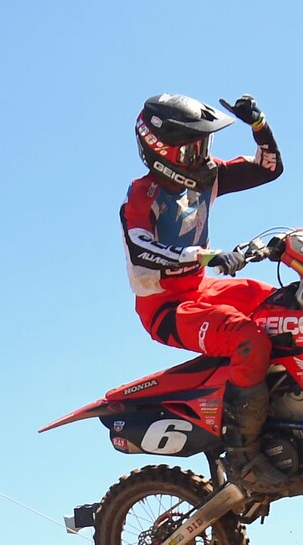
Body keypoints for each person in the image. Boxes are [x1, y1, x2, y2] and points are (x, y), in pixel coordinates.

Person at [121, 91, 283, 469]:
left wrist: (259, 124)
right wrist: (206, 256)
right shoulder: (143, 195)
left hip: (202, 288)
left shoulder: (208, 177)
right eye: (192, 146)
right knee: (249, 339)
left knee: (283, 306)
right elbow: (142, 247)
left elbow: (268, 168)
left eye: (203, 142)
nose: (202, 153)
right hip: (165, 307)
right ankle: (245, 453)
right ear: (163, 151)